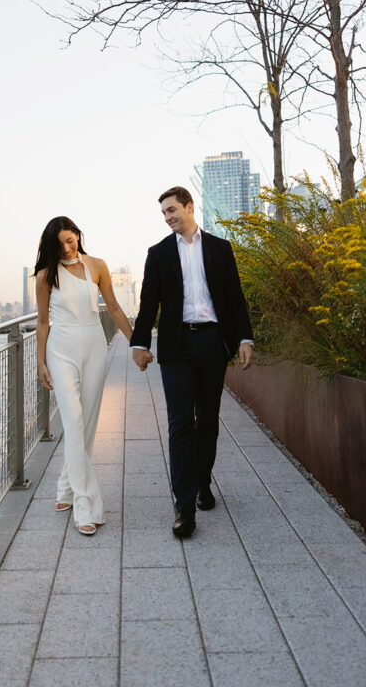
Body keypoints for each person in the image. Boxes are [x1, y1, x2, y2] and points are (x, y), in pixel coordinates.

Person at [130, 186, 254, 538]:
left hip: (213, 341)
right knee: (180, 423)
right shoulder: (158, 253)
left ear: (189, 206)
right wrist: (140, 344)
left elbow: (234, 297)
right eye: (163, 214)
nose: (168, 217)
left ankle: (202, 482)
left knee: (208, 420)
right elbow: (148, 301)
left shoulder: (220, 248)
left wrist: (245, 338)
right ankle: (184, 506)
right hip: (176, 346)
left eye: (172, 210)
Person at [35, 216, 132, 535]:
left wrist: (137, 343)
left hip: (93, 344)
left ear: (78, 236)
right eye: (59, 243)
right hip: (60, 348)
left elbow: (114, 309)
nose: (65, 248)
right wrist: (40, 362)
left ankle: (65, 486)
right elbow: (43, 322)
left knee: (87, 421)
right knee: (74, 420)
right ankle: (85, 503)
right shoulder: (46, 275)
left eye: (70, 240)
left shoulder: (98, 266)